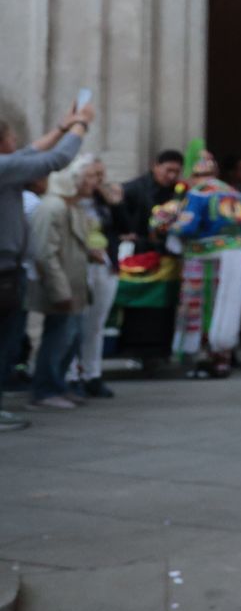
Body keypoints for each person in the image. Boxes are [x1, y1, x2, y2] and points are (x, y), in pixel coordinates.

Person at [0, 103, 92, 430]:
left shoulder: (7, 164)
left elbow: (29, 152)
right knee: (4, 342)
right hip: (3, 270)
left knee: (8, 341)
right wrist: (82, 125)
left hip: (10, 269)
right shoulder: (3, 167)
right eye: (11, 136)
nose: (17, 141)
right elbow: (53, 160)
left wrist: (62, 128)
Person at [154, 151, 241, 379]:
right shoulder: (232, 193)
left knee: (203, 306)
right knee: (228, 305)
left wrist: (166, 226)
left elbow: (187, 227)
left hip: (205, 258)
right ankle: (223, 357)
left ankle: (203, 357)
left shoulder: (198, 194)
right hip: (235, 255)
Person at [27, 164, 97, 409]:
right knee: (58, 339)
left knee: (70, 338)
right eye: (87, 178)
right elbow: (45, 254)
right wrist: (60, 291)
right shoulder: (53, 207)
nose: (94, 182)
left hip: (74, 287)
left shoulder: (72, 207)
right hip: (61, 288)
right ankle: (45, 390)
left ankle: (58, 385)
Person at [68, 155, 121, 397]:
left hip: (105, 264)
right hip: (78, 264)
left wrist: (112, 201)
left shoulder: (103, 202)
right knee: (73, 322)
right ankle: (70, 374)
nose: (96, 180)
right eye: (91, 175)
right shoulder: (69, 201)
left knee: (96, 324)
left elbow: (124, 227)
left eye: (100, 174)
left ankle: (93, 373)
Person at [114, 148, 184, 250]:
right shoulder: (133, 189)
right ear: (155, 166)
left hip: (167, 249)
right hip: (138, 249)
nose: (172, 176)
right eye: (169, 170)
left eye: (176, 172)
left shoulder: (179, 191)